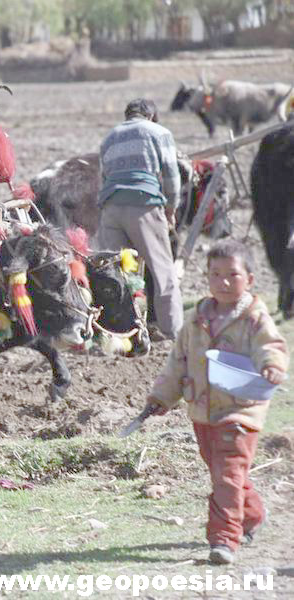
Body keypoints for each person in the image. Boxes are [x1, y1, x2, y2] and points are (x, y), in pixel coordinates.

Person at [145, 239, 288, 565]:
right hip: (202, 410)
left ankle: (224, 539)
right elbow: (177, 363)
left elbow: (272, 346)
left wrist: (272, 366)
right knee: (225, 473)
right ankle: (251, 515)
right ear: (206, 278)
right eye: (215, 274)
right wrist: (162, 397)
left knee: (227, 475)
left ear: (250, 279)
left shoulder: (253, 317)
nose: (223, 282)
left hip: (241, 407)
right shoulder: (196, 319)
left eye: (232, 275)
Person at [97, 98, 183, 340]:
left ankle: (118, 333)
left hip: (111, 208)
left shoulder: (109, 137)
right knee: (163, 272)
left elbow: (103, 177)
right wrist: (171, 209)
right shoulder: (159, 132)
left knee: (118, 274)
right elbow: (171, 176)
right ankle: (172, 332)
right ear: (152, 116)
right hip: (143, 206)